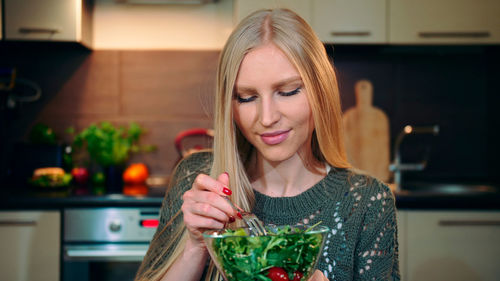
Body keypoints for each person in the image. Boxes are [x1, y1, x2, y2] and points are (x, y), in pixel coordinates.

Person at [135, 8, 400, 281]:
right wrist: (195, 246)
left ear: (321, 91)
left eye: (288, 92)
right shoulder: (197, 179)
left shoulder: (367, 202)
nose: (267, 118)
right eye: (247, 97)